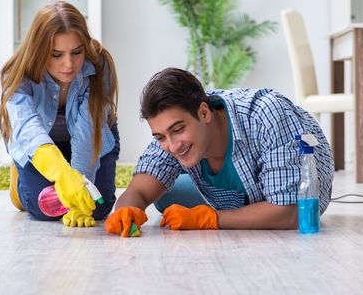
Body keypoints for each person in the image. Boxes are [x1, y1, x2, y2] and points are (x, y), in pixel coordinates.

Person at [105, 67, 333, 237]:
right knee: (166, 197)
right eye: (161, 137)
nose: (172, 145)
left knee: (182, 207)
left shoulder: (267, 114)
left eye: (178, 130)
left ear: (204, 113)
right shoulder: (172, 132)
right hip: (235, 196)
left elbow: (291, 213)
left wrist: (210, 218)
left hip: (282, 197)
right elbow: (139, 191)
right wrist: (127, 212)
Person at [0, 1, 120, 227]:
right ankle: (19, 183)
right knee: (45, 209)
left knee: (97, 208)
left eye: (77, 52)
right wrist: (62, 174)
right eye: (55, 54)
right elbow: (28, 129)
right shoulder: (17, 75)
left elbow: (88, 130)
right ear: (39, 51)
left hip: (92, 138)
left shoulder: (100, 65)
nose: (69, 64)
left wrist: (80, 182)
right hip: (40, 145)